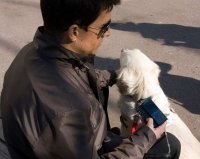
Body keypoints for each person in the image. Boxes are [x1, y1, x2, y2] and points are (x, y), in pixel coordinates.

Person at [0, 0, 180, 158]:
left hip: (58, 144)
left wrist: (115, 75)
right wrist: (147, 135)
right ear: (74, 32)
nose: (107, 34)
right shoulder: (67, 111)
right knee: (169, 146)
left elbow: (75, 76)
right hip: (79, 146)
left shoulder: (34, 51)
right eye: (103, 28)